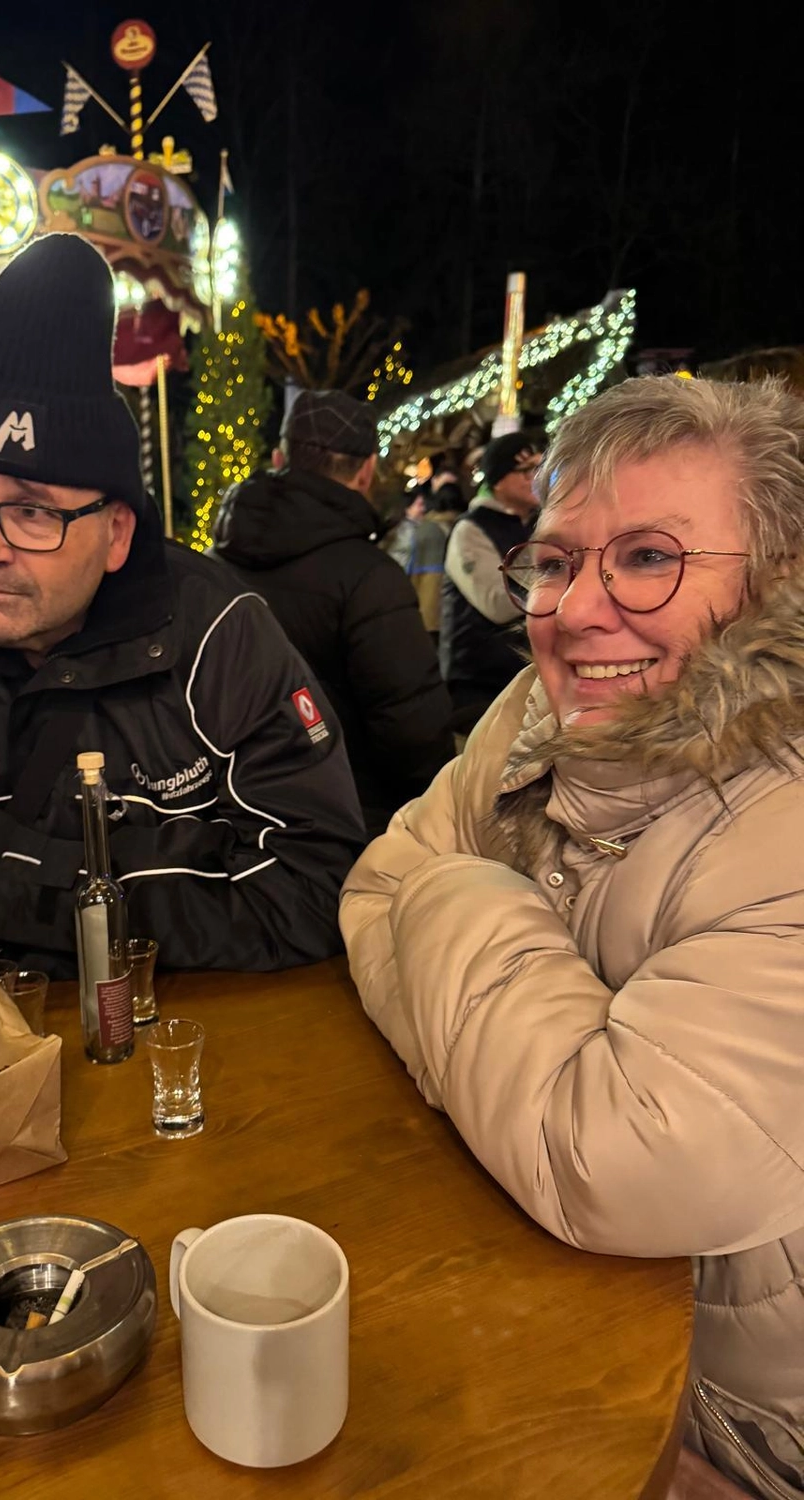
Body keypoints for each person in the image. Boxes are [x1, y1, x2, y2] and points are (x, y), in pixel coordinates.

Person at [340, 375, 804, 1500]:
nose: (577, 609)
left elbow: (608, 1157)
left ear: (776, 588)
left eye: (648, 557)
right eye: (555, 562)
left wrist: (467, 898)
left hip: (743, 1431)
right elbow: (366, 888)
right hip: (540, 1295)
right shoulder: (548, 709)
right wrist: (527, 1050)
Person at [0, 234, 365, 976]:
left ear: (116, 532)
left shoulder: (220, 634)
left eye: (33, 511)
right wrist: (162, 876)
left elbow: (312, 881)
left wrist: (16, 885)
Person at [211, 389, 453, 837]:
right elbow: (413, 731)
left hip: (235, 814)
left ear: (280, 456)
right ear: (365, 470)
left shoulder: (216, 560)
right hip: (350, 823)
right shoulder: (369, 577)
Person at [439, 429, 545, 733]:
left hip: (526, 676)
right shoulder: (470, 530)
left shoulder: (536, 521)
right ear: (498, 479)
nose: (536, 477)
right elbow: (498, 603)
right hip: (479, 686)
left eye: (541, 466)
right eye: (526, 470)